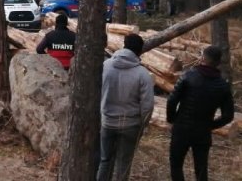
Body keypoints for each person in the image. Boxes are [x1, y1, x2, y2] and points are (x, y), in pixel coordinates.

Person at [167, 45, 234, 181]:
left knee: (176, 164)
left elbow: (172, 100)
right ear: (218, 63)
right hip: (203, 131)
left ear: (203, 58)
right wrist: (210, 125)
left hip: (182, 129)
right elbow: (228, 116)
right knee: (201, 169)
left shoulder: (188, 76)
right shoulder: (223, 86)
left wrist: (171, 119)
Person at [97, 34, 154, 181]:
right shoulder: (142, 74)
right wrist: (143, 124)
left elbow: (97, 90)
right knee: (124, 165)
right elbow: (147, 105)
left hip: (107, 122)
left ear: (124, 45)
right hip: (130, 125)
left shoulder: (105, 66)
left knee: (104, 160)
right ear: (140, 51)